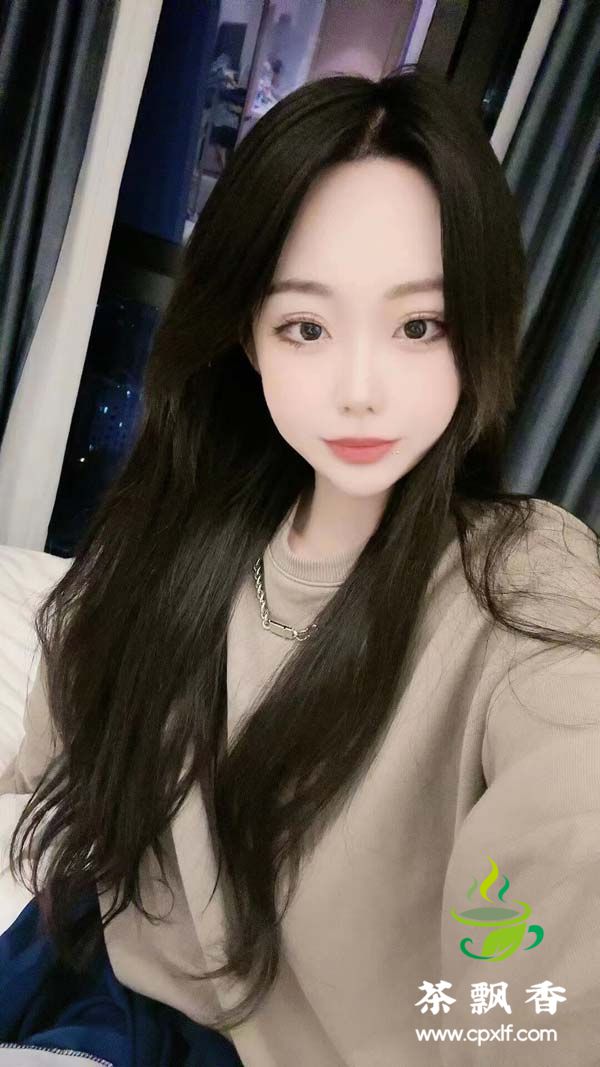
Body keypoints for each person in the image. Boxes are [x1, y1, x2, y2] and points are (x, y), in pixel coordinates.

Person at [1, 65, 599, 1066]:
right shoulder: (182, 523)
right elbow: (57, 730)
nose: (360, 389)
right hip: (92, 970)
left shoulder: (525, 581)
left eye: (419, 325)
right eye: (307, 326)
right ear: (247, 336)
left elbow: (575, 826)